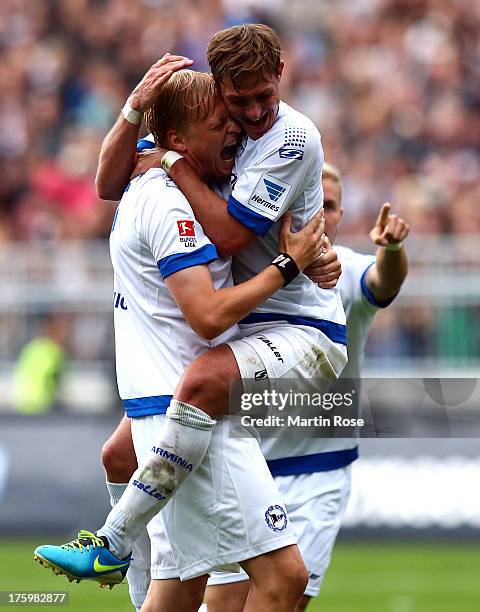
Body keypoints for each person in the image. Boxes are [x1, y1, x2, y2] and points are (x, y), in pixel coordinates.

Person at [36, 23, 347, 609]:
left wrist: (174, 164)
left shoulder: (289, 137)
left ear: (282, 74)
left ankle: (113, 540)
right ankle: (124, 561)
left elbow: (228, 235)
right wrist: (133, 112)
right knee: (124, 461)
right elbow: (107, 181)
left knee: (201, 386)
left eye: (263, 97)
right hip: (241, 331)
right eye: (236, 104)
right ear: (218, 89)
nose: (248, 118)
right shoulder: (197, 147)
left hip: (300, 329)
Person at [205, 162, 410, 612]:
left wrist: (392, 251)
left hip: (319, 468)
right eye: (312, 199)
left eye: (331, 205)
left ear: (336, 215)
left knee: (289, 602)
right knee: (222, 603)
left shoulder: (349, 273)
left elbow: (383, 282)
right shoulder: (249, 273)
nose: (320, 211)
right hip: (246, 464)